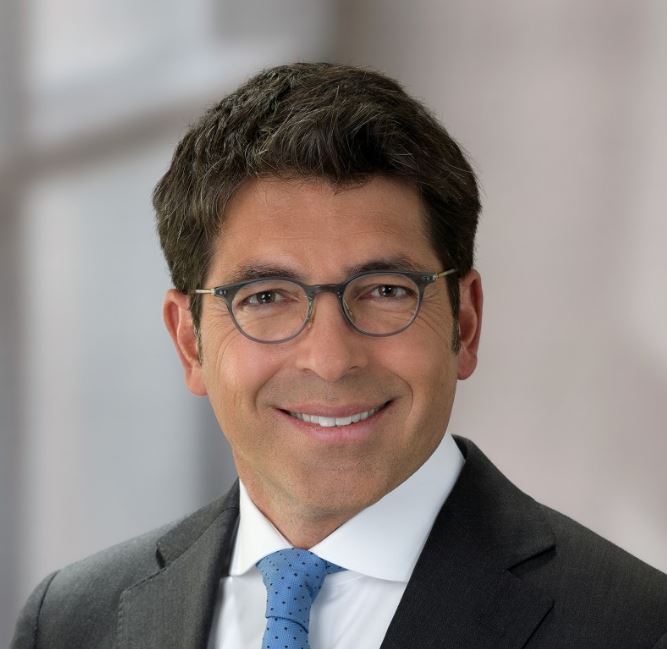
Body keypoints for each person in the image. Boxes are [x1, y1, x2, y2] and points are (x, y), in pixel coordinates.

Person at [11, 62, 667, 649]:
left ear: (464, 323)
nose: (329, 358)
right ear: (190, 341)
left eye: (385, 291)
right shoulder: (69, 623)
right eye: (267, 297)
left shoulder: (634, 627)